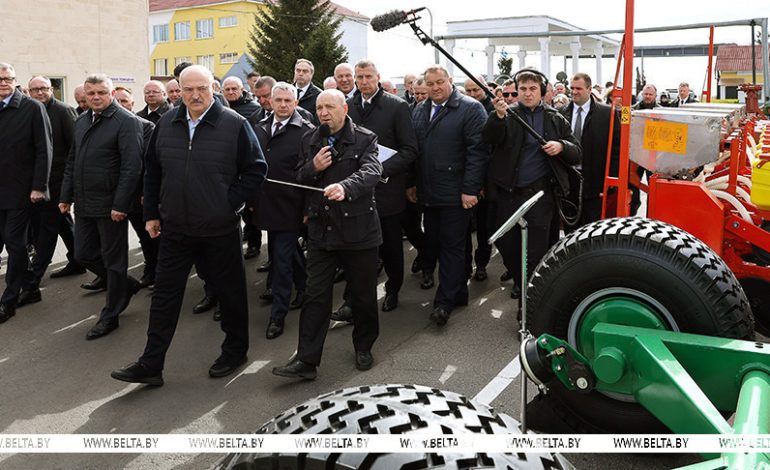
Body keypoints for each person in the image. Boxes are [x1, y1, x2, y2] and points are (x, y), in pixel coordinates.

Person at [111, 65, 267, 386]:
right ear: (178, 91)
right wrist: (153, 213)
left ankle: (235, 350)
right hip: (175, 229)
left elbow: (255, 170)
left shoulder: (234, 124)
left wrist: (227, 204)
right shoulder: (166, 123)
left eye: (202, 88)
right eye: (188, 89)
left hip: (218, 229)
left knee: (230, 294)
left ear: (214, 88)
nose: (195, 95)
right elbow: (152, 172)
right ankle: (151, 364)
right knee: (165, 296)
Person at [272, 89, 382, 380]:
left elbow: (372, 170)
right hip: (322, 231)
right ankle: (306, 361)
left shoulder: (365, 138)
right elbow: (298, 176)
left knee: (363, 296)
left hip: (359, 231)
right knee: (315, 296)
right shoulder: (309, 138)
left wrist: (346, 187)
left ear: (344, 108)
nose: (323, 113)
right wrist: (312, 167)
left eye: (329, 107)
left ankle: (364, 345)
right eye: (319, 107)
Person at [481, 69, 581, 300]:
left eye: (532, 89)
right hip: (509, 193)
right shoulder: (506, 114)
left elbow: (577, 153)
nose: (527, 94)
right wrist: (497, 117)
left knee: (536, 251)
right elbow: (488, 138)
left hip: (541, 195)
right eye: (523, 89)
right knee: (507, 244)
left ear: (542, 91)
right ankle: (520, 279)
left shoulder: (555, 118)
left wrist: (561, 146)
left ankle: (530, 295)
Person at [59, 74, 144, 339]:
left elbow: (133, 167)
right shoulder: (83, 120)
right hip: (84, 202)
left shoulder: (126, 122)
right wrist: (65, 195)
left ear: (111, 93)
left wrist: (121, 204)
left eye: (101, 92)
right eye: (91, 93)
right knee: (83, 254)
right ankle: (127, 285)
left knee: (114, 260)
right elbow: (73, 161)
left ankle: (111, 314)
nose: (96, 97)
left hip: (111, 206)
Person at [333, 59, 418, 320]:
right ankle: (352, 301)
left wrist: (379, 171)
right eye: (359, 77)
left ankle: (393, 288)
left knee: (391, 245)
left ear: (378, 77)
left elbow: (410, 150)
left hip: (386, 189)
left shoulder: (396, 106)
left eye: (368, 76)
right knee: (355, 249)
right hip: (356, 192)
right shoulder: (350, 107)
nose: (363, 81)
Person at [412, 65, 488, 326]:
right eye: (430, 83)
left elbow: (477, 153)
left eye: (439, 82)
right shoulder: (420, 110)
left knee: (452, 247)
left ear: (450, 81)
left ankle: (443, 303)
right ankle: (459, 293)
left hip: (456, 193)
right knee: (435, 241)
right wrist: (413, 184)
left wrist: (470, 189)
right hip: (429, 192)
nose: (434, 87)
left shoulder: (470, 109)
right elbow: (415, 151)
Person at [251, 82, 312, 339]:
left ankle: (278, 315)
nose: (284, 105)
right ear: (270, 102)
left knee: (281, 259)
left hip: (291, 205)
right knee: (284, 249)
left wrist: (309, 206)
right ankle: (305, 285)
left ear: (296, 103)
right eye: (279, 100)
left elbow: (313, 174)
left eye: (289, 101)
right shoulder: (260, 128)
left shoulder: (307, 132)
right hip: (265, 203)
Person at [0, 64, 52, 322]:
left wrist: (38, 186)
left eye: (8, 78)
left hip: (21, 191)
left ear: (15, 80)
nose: (3, 83)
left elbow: (44, 149)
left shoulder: (32, 108)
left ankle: (8, 301)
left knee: (15, 244)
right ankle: (31, 287)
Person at [27, 76, 85, 286]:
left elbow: (75, 147)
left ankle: (34, 275)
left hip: (58, 180)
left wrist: (71, 183)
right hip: (37, 179)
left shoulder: (62, 111)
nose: (40, 93)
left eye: (44, 88)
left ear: (52, 89)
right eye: (35, 89)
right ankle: (78, 259)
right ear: (29, 91)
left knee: (47, 227)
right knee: (61, 222)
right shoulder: (30, 110)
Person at [114, 87, 160, 287]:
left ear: (132, 103)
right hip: (115, 193)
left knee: (147, 236)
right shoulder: (107, 127)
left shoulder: (145, 126)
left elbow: (149, 163)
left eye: (125, 101)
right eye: (117, 101)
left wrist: (145, 192)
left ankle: (154, 271)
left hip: (138, 194)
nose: (121, 105)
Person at [560, 72, 619, 227]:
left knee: (592, 227)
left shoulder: (607, 114)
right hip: (568, 181)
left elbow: (616, 149)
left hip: (595, 182)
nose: (574, 92)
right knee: (571, 227)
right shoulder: (560, 114)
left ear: (589, 89)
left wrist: (612, 179)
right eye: (571, 88)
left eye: (578, 88)